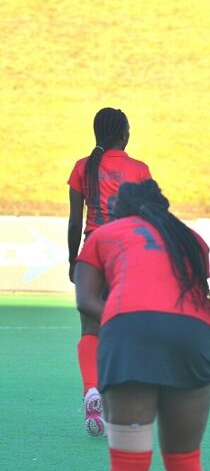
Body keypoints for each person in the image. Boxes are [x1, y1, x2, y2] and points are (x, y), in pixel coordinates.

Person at [74, 179, 210, 471]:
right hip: (193, 336)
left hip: (130, 333)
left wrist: (124, 324)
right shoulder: (190, 238)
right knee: (185, 463)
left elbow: (86, 300)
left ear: (119, 212)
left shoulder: (103, 234)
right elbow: (200, 293)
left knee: (127, 468)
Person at [67, 107, 152, 436]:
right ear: (124, 135)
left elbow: (75, 221)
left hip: (92, 250)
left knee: (90, 329)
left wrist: (73, 259)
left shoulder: (82, 168)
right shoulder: (140, 169)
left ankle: (92, 391)